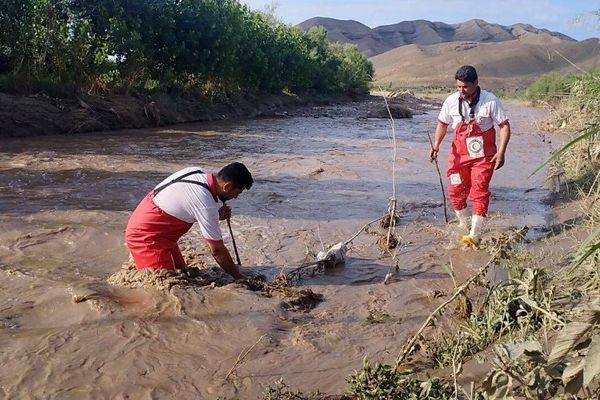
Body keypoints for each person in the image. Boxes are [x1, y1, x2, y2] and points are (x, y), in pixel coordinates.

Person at [125, 162, 253, 279]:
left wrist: (215, 215)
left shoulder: (197, 172)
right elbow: (217, 250)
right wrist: (239, 277)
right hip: (145, 236)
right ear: (227, 186)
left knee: (182, 272)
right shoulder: (205, 203)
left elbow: (185, 206)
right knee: (165, 286)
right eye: (237, 192)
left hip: (156, 226)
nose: (236, 197)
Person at [429, 65, 511, 246]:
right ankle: (463, 224)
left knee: (479, 191)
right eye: (458, 86)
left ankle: (475, 233)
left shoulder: (490, 101)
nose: (461, 90)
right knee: (455, 191)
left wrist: (501, 151)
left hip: (483, 158)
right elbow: (442, 124)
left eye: (465, 87)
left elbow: (504, 125)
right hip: (458, 157)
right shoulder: (451, 101)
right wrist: (436, 145)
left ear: (476, 83)